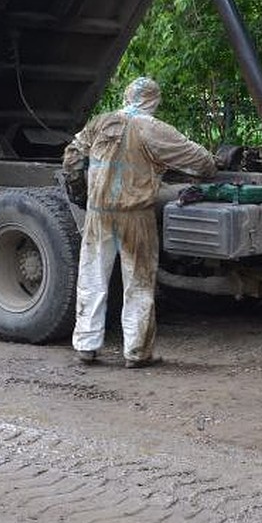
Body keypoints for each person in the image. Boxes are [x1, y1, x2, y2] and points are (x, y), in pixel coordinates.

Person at [63, 76, 217, 368]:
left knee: (92, 279)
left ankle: (86, 346)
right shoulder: (153, 128)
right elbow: (198, 159)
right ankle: (136, 353)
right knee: (139, 283)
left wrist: (82, 193)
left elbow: (72, 157)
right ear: (154, 101)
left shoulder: (101, 122)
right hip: (135, 216)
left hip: (98, 213)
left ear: (126, 96)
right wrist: (212, 163)